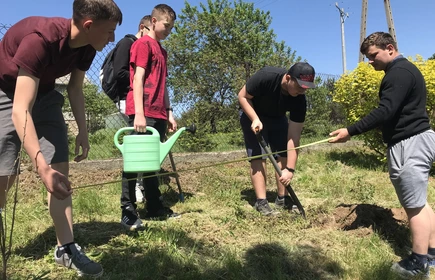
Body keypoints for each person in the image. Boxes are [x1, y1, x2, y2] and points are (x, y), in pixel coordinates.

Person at [0, 0, 122, 277]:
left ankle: (65, 248)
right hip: (7, 92)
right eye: (110, 31)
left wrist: (83, 130)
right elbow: (21, 110)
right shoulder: (40, 40)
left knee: (59, 171)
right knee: (4, 174)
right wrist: (39, 165)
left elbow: (76, 88)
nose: (112, 38)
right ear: (88, 26)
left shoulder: (89, 46)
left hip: (44, 93)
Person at [329, 32, 435, 279]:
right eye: (367, 57)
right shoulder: (406, 71)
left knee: (414, 206)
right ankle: (431, 254)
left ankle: (418, 262)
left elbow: (385, 111)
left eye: (373, 55)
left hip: (409, 143)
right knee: (421, 202)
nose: (370, 61)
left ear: (390, 48)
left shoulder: (398, 74)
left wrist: (350, 130)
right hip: (419, 139)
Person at [121, 4, 178, 229]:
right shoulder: (143, 44)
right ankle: (128, 210)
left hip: (159, 113)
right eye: (166, 25)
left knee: (153, 163)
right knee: (133, 164)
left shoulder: (162, 51)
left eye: (172, 28)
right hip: (142, 113)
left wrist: (170, 112)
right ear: (153, 21)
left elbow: (163, 85)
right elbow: (137, 79)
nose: (168, 30)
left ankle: (154, 208)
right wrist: (140, 114)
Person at [238, 62, 316, 216]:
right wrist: (254, 118)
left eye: (306, 88)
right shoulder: (267, 76)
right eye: (300, 86)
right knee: (258, 155)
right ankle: (261, 202)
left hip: (277, 117)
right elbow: (242, 96)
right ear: (288, 78)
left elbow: (294, 137)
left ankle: (282, 199)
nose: (303, 91)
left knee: (284, 154)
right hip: (252, 113)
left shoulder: (300, 99)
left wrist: (290, 170)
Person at [109, 15, 152, 212]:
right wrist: (143, 80)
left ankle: (142, 186)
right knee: (137, 146)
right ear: (142, 27)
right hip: (130, 99)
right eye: (150, 31)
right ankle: (133, 191)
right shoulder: (128, 43)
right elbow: (120, 73)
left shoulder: (146, 45)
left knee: (147, 146)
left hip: (145, 100)